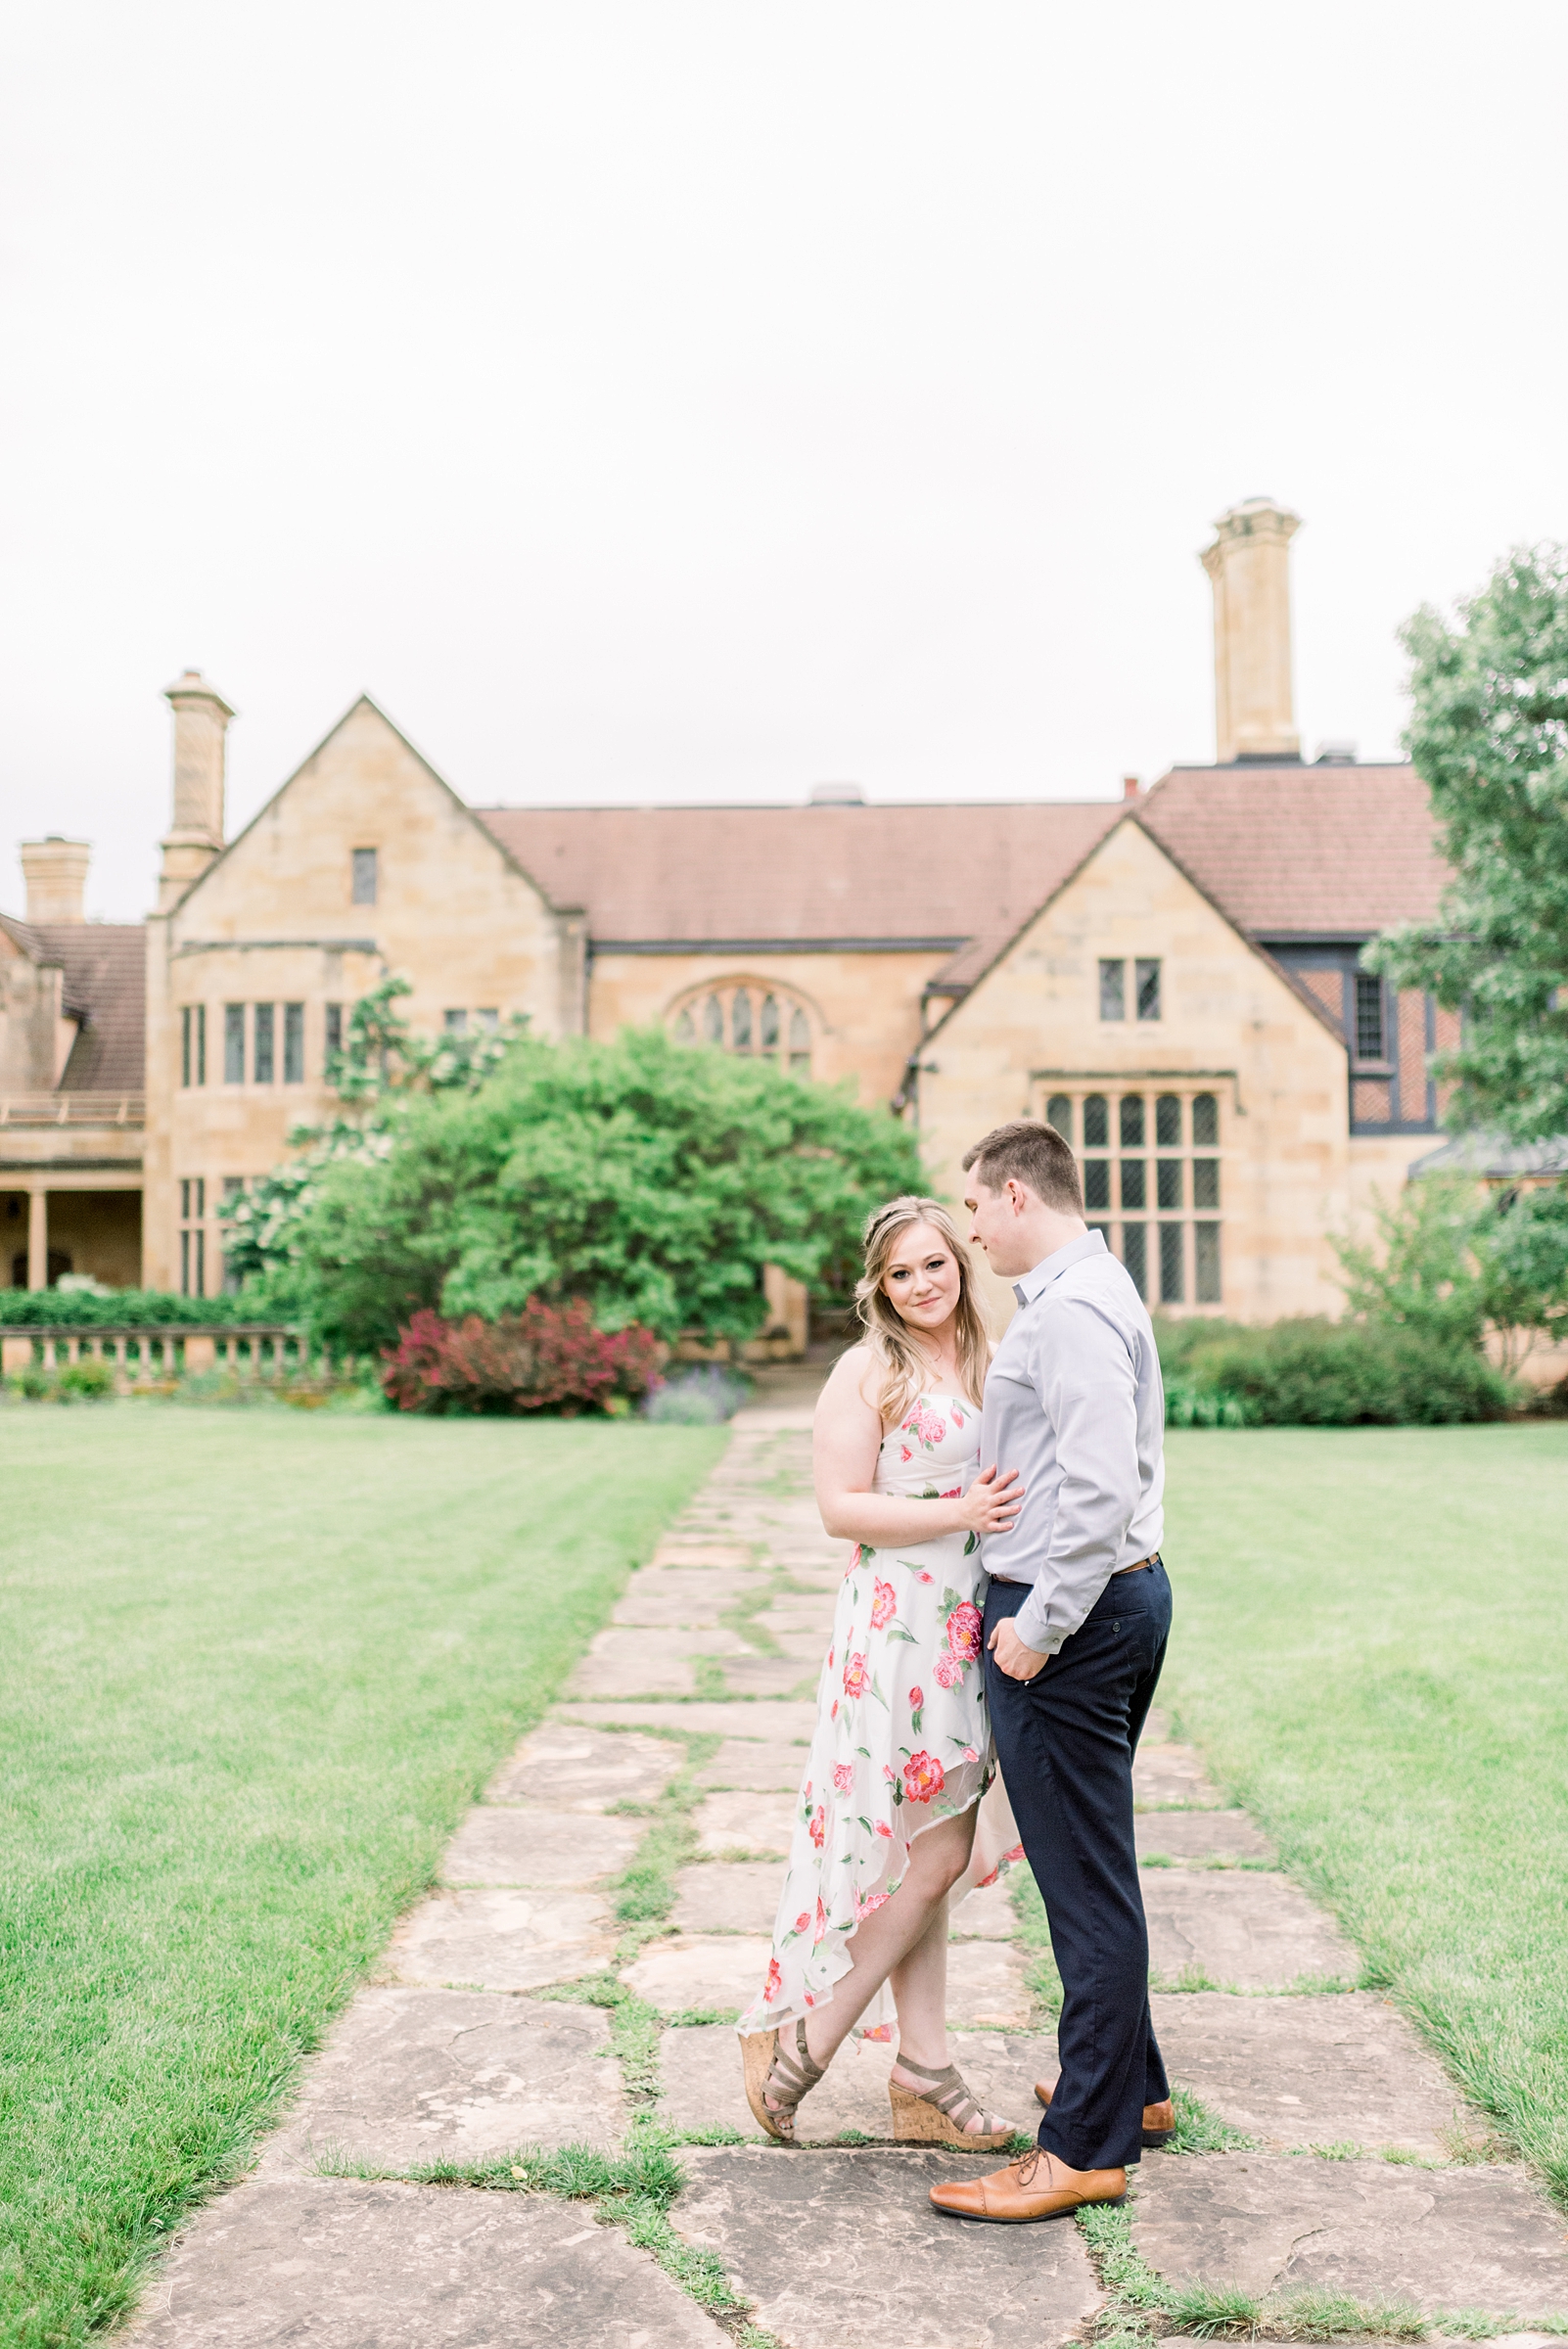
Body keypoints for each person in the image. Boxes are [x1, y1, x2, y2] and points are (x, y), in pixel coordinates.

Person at [737, 1195, 1027, 2147]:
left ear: (959, 1263)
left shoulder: (988, 1357)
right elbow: (839, 1508)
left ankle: (925, 2070)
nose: (921, 1285)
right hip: (900, 1636)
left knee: (927, 1853)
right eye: (900, 1273)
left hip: (971, 1627)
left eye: (934, 1265)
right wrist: (960, 1513)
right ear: (880, 1287)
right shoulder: (869, 1371)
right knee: (932, 1850)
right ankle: (801, 2049)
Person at [930, 1119, 1173, 2227]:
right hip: (1121, 1599)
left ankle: (1082, 2148)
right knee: (1096, 1852)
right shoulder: (1094, 1285)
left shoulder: (1071, 1311)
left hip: (1073, 1619)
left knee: (1082, 1881)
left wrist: (1041, 1622)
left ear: (1017, 1194)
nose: (969, 1229)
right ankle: (1137, 2091)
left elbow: (1099, 1484)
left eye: (974, 1207)